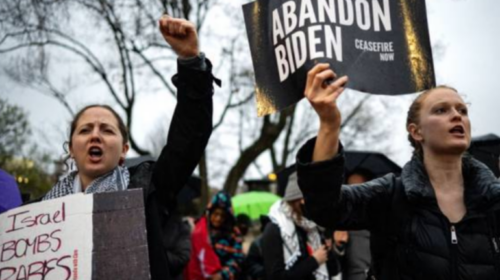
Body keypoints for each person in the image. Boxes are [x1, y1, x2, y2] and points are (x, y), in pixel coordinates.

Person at [40, 15, 218, 280]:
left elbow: (189, 137)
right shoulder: (41, 215)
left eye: (107, 130)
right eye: (85, 130)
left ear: (123, 150)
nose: (95, 136)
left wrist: (191, 62)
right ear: (71, 149)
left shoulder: (146, 191)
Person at [296, 63, 500, 279]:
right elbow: (325, 207)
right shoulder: (391, 194)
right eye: (441, 110)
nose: (457, 116)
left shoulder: (493, 200)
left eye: (462, 110)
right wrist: (329, 123)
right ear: (416, 132)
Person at [261, 172, 340, 280]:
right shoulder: (275, 229)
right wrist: (314, 261)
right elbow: (275, 276)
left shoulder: (313, 226)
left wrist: (330, 250)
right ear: (300, 200)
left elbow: (334, 270)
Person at [185, 191, 244, 280]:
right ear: (210, 213)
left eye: (222, 215)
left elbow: (238, 259)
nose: (218, 218)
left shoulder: (234, 233)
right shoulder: (199, 228)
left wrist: (223, 274)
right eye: (215, 214)